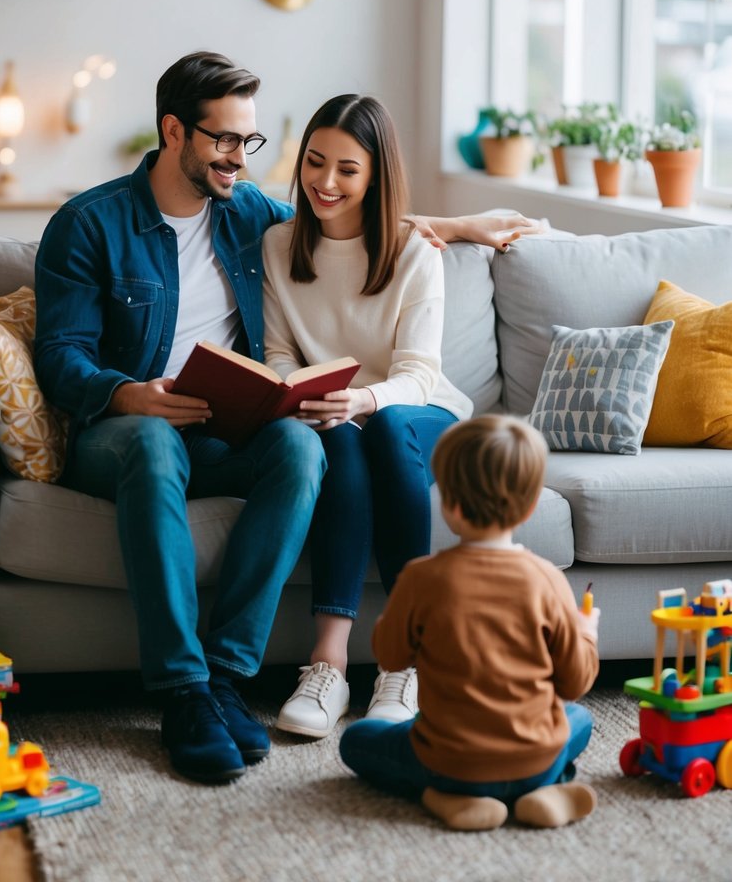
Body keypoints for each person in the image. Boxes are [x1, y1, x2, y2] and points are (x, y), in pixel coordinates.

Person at [34, 51, 543, 785]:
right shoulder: (90, 224)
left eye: (249, 142)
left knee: (302, 450)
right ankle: (181, 692)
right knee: (151, 444)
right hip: (125, 430)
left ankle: (224, 679)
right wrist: (128, 392)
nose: (240, 159)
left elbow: (347, 214)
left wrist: (460, 226)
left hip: (220, 426)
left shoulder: (244, 212)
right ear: (174, 132)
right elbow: (60, 358)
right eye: (224, 140)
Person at [262, 95, 469, 738]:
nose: (325, 183)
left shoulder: (415, 252)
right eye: (315, 164)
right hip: (334, 415)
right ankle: (327, 667)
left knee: (373, 427)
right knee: (344, 445)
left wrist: (363, 399)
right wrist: (296, 395)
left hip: (417, 410)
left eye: (347, 170)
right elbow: (277, 355)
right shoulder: (277, 245)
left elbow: (418, 374)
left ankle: (402, 665)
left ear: (376, 175)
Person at [339, 415, 600, 832]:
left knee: (358, 740)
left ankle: (443, 795)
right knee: (578, 719)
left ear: (448, 503)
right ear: (530, 506)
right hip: (535, 758)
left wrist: (399, 617)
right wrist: (585, 633)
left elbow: (390, 656)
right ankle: (546, 788)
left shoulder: (421, 578)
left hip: (449, 763)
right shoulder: (548, 579)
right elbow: (574, 682)